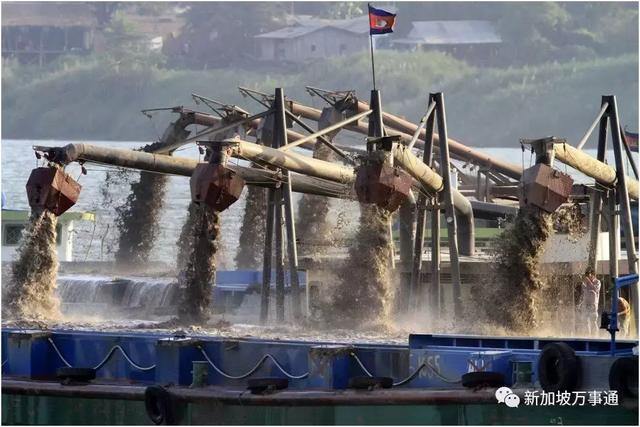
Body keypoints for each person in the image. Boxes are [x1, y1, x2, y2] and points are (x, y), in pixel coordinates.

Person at [577, 267, 601, 336]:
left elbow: (596, 289)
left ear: (593, 275)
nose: (588, 277)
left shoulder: (598, 282)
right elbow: (583, 292)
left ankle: (595, 336)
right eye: (587, 275)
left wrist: (589, 282)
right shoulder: (585, 282)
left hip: (593, 304)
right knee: (585, 321)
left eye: (589, 275)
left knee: (593, 321)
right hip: (585, 304)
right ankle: (587, 335)